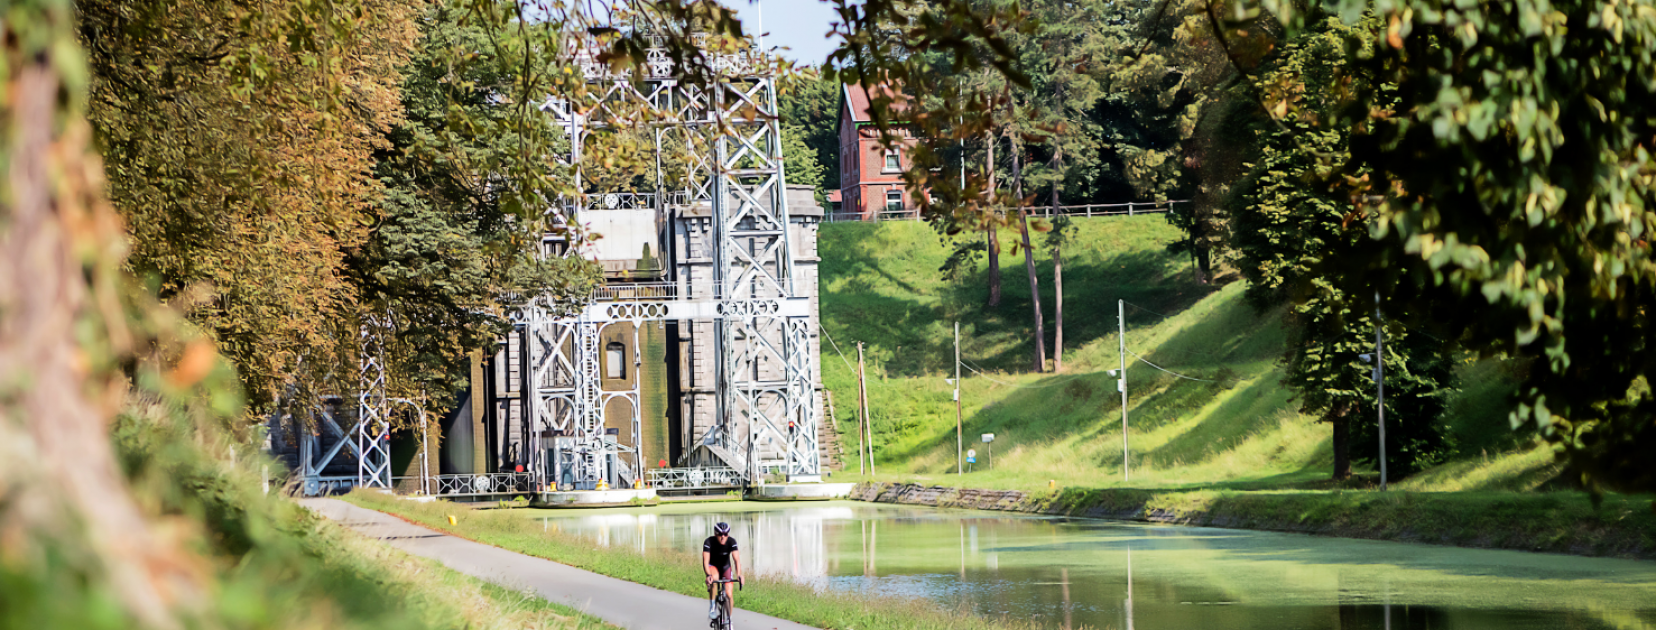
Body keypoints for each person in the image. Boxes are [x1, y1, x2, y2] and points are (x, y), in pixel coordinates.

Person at [702, 521, 742, 619]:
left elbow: (736, 560)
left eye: (725, 534)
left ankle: (729, 619)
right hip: (713, 566)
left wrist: (739, 575)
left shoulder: (731, 541)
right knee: (714, 578)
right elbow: (705, 561)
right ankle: (712, 607)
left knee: (729, 593)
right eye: (720, 534)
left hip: (725, 567)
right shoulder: (708, 542)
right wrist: (708, 575)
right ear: (716, 534)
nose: (723, 536)